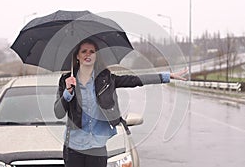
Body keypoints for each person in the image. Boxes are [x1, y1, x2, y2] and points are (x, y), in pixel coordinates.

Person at [54, 38, 188, 167]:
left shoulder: (106, 78)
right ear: (77, 56)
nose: (88, 54)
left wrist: (165, 76)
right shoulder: (66, 80)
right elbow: (58, 113)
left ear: (96, 56)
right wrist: (68, 91)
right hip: (74, 147)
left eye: (92, 51)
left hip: (97, 147)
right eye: (84, 51)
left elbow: (134, 80)